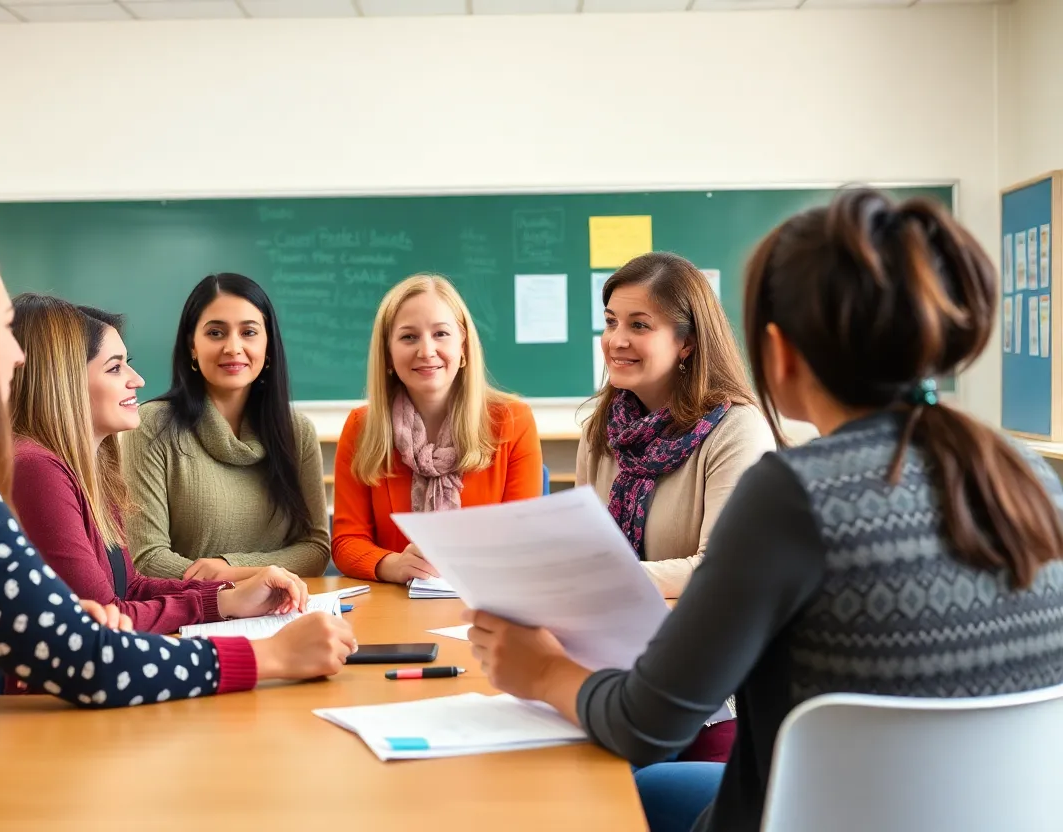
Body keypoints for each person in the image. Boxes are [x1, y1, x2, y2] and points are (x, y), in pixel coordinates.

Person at [464, 188, 1063, 832]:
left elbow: (646, 723)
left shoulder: (792, 493)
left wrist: (544, 670)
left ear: (779, 352)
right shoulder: (1027, 474)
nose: (618, 339)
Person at [0, 228, 355, 705]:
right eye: (1, 327)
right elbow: (91, 664)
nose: (19, 357)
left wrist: (67, 627)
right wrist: (273, 655)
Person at [8, 294, 310, 635]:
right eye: (115, 367)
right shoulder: (36, 469)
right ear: (62, 380)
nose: (137, 380)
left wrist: (233, 592)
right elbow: (108, 621)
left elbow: (131, 589)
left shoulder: (93, 468)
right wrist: (225, 603)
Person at [578, 251, 774, 601]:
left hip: (699, 630)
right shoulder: (602, 430)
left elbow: (724, 568)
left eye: (639, 325)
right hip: (610, 623)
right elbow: (584, 551)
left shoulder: (737, 430)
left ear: (687, 342)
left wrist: (602, 577)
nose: (616, 340)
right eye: (611, 322)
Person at [332, 274, 542, 583]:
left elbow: (522, 540)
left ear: (464, 347)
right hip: (394, 604)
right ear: (388, 354)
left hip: (487, 597)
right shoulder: (362, 427)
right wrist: (394, 565)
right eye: (408, 337)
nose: (426, 351)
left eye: (441, 334)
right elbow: (347, 542)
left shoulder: (513, 420)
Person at [124, 273, 330, 582]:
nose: (233, 347)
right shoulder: (152, 426)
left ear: (268, 345)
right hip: (195, 614)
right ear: (192, 346)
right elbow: (148, 559)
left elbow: (315, 551)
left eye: (248, 332)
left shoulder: (296, 432)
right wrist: (236, 590)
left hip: (284, 608)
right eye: (216, 333)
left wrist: (231, 568)